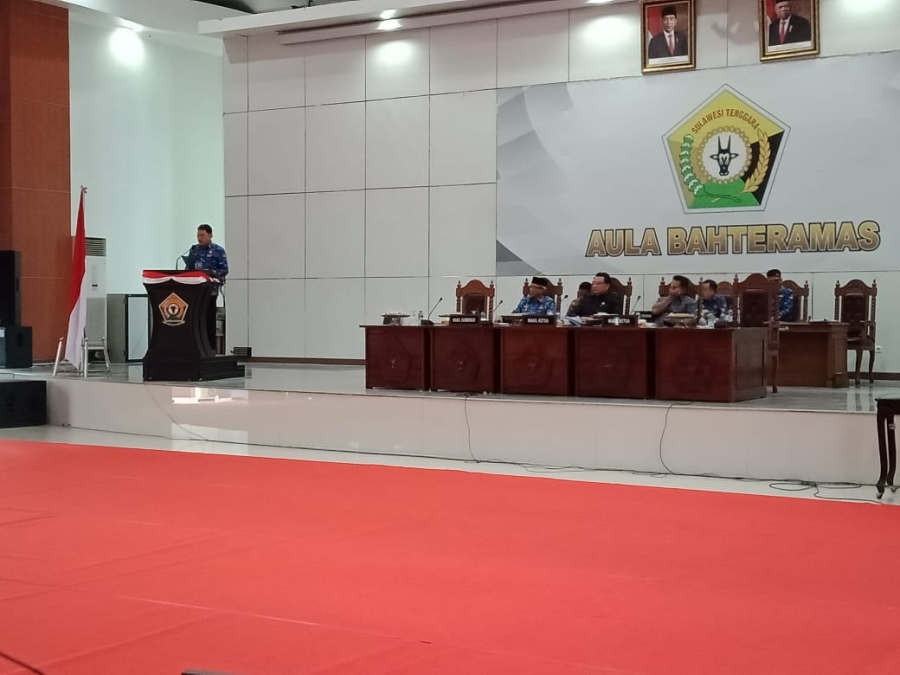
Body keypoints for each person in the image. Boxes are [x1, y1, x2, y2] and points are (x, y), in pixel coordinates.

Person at [184, 224, 229, 351]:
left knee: (208, 319)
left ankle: (210, 348)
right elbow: (189, 269)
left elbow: (224, 270)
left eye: (202, 235)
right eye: (198, 235)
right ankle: (196, 347)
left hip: (210, 291)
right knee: (196, 319)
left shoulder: (218, 250)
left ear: (210, 235)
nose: (199, 238)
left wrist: (210, 274)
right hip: (195, 291)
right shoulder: (194, 250)